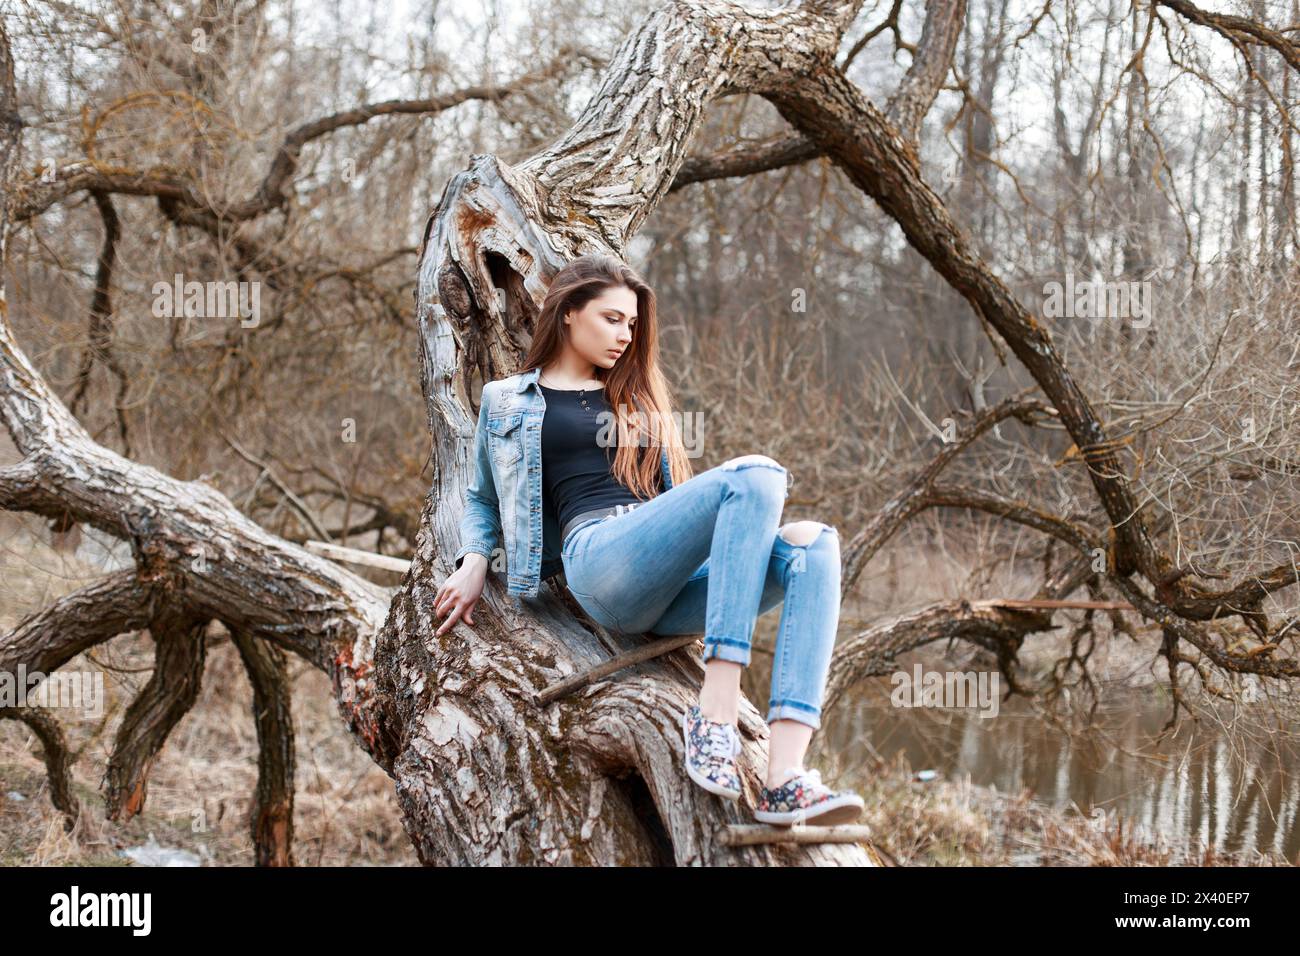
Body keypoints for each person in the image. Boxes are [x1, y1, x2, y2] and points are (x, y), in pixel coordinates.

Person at [432, 254, 864, 826]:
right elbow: (483, 496)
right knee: (756, 473)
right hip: (599, 561)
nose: (625, 335)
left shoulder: (636, 401)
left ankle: (784, 778)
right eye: (612, 318)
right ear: (567, 314)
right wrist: (474, 560)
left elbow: (678, 510)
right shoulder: (508, 400)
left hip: (665, 577)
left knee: (814, 543)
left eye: (631, 325)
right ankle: (713, 717)